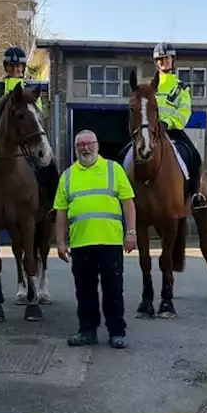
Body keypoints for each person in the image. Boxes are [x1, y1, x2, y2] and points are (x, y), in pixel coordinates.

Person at [54, 129, 137, 349]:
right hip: (81, 244)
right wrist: (60, 242)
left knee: (113, 289)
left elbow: (128, 202)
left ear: (97, 145)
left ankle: (116, 332)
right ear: (75, 149)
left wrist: (131, 233)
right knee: (85, 291)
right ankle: (87, 330)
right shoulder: (68, 176)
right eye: (80, 145)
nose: (85, 148)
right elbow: (61, 212)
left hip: (110, 242)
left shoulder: (114, 169)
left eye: (89, 143)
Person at [0, 45, 59, 207]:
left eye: (18, 65)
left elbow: (37, 113)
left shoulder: (30, 89)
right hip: (2, 137)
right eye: (11, 65)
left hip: (26, 140)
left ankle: (52, 206)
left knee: (49, 167)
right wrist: (5, 129)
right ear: (6, 67)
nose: (15, 68)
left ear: (23, 67)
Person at [151, 42, 206, 210]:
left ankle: (195, 195)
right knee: (126, 154)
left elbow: (184, 112)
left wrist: (168, 122)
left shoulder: (181, 87)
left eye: (166, 58)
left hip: (173, 131)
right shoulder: (149, 86)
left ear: (172, 60)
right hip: (151, 132)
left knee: (195, 157)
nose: (163, 62)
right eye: (160, 59)